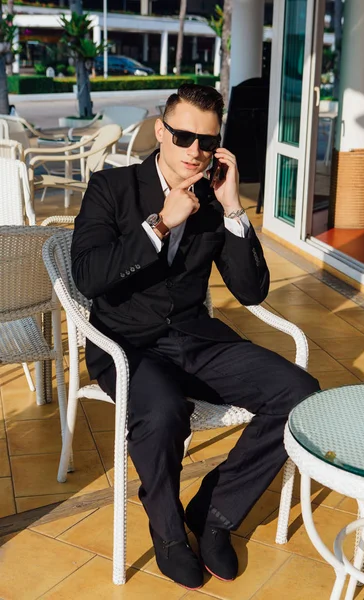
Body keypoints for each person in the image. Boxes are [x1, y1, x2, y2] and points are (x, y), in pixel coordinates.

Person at [71, 83, 320, 590]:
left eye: (206, 142)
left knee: (300, 395)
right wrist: (159, 225)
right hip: (124, 343)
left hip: (194, 337)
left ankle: (215, 511)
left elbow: (251, 292)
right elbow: (88, 277)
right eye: (183, 136)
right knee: (163, 411)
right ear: (161, 131)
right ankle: (166, 528)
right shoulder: (112, 187)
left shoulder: (212, 197)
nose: (194, 151)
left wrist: (232, 208)